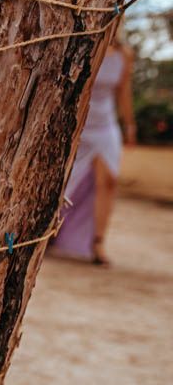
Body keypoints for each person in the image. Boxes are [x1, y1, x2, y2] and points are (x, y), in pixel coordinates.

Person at [51, 38, 135, 265]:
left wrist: (130, 124)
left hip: (106, 126)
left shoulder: (124, 54)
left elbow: (124, 91)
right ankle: (50, 230)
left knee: (109, 181)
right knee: (64, 181)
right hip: (79, 125)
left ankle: (98, 243)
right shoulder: (84, 43)